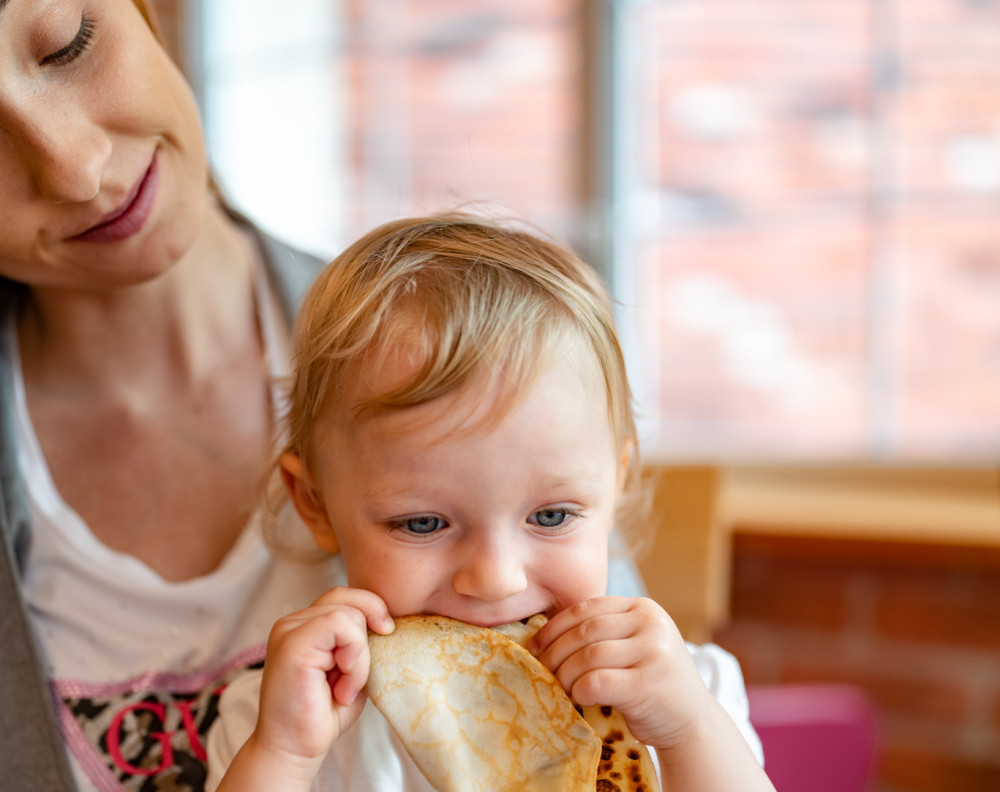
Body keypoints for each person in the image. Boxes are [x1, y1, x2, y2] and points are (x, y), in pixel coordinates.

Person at [0, 4, 648, 791]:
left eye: (69, 44)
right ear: (308, 497)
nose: (74, 166)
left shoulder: (486, 356)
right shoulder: (272, 724)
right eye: (421, 522)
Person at [205, 214, 772, 792]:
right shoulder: (288, 721)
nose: (497, 580)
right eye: (423, 523)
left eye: (550, 516)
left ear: (616, 483)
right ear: (316, 505)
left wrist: (691, 731)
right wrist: (283, 756)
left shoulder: (689, 697)